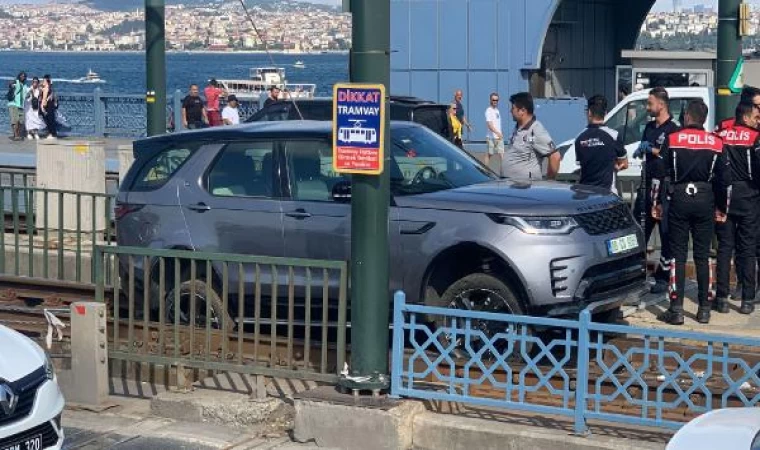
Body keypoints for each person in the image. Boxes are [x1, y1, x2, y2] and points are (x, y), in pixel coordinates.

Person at [655, 100, 729, 325]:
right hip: (705, 199)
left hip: (679, 198)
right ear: (704, 119)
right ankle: (704, 308)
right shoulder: (716, 143)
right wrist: (722, 208)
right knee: (702, 255)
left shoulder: (673, 139)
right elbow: (724, 180)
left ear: (687, 116)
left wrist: (657, 202)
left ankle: (676, 309)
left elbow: (661, 172)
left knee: (678, 254)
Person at [632, 87, 680, 295]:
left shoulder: (673, 129)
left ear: (661, 104)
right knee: (639, 229)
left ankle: (664, 276)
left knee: (666, 234)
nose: (647, 107)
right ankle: (636, 274)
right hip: (647, 185)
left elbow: (668, 154)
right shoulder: (650, 127)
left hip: (665, 188)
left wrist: (650, 149)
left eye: (650, 103)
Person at [714, 101, 760, 315]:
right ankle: (747, 300)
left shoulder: (722, 136)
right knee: (747, 249)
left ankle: (721, 298)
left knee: (724, 248)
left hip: (725, 196)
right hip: (749, 195)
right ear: (745, 117)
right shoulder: (754, 137)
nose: (757, 121)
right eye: (755, 118)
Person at [574, 95, 628, 190]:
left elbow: (582, 166)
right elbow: (624, 163)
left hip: (586, 193)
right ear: (605, 113)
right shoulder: (614, 135)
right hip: (607, 193)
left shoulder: (579, 138)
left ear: (589, 113)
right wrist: (613, 164)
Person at [503, 92, 560, 181]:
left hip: (525, 188)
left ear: (522, 111)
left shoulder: (536, 129)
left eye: (513, 108)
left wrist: (549, 181)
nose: (510, 111)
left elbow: (555, 157)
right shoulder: (518, 128)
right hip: (511, 185)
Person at [484, 92, 504, 171]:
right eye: (493, 100)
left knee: (502, 155)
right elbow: (489, 125)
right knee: (489, 154)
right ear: (490, 100)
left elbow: (497, 124)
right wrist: (497, 133)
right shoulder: (488, 111)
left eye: (496, 100)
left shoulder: (497, 111)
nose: (495, 101)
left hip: (499, 137)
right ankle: (485, 170)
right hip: (491, 137)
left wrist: (500, 133)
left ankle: (503, 172)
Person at [7, 72, 27, 141]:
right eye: (21, 76)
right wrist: (11, 84)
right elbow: (10, 83)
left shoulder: (24, 85)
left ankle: (17, 135)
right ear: (19, 76)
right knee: (15, 120)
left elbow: (26, 94)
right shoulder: (17, 81)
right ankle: (16, 135)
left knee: (21, 121)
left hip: (21, 105)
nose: (22, 77)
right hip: (13, 103)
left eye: (24, 76)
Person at [40, 75, 57, 139]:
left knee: (49, 120)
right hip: (50, 105)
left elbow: (44, 99)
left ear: (47, 81)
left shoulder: (46, 88)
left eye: (44, 80)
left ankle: (52, 134)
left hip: (47, 106)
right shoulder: (50, 88)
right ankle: (53, 134)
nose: (42, 81)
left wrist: (42, 107)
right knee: (51, 119)